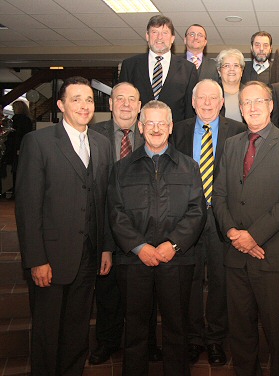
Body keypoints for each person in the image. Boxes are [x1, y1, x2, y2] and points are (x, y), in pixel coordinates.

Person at [15, 76, 113, 375]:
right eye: (75, 99)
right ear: (60, 105)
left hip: (88, 256)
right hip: (51, 259)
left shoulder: (102, 144)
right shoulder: (38, 142)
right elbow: (28, 207)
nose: (84, 105)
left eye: (88, 99)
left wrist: (106, 248)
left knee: (76, 329)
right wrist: (37, 260)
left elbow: (105, 201)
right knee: (47, 332)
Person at [107, 100, 207, 376]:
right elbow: (115, 213)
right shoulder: (121, 168)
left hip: (176, 260)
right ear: (140, 126)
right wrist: (140, 248)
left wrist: (172, 244)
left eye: (161, 122)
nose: (155, 128)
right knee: (136, 330)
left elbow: (197, 211)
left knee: (177, 328)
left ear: (171, 127)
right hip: (134, 261)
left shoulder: (189, 166)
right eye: (149, 122)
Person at [212, 81, 279, 376]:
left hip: (271, 255)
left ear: (271, 105)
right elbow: (220, 195)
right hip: (235, 257)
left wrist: (253, 236)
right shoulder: (231, 144)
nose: (252, 108)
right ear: (239, 109)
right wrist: (232, 234)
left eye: (258, 101)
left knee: (278, 333)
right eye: (246, 103)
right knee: (241, 333)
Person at [172, 79, 246, 366]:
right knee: (187, 282)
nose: (206, 103)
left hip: (221, 220)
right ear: (193, 102)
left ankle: (215, 339)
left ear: (221, 102)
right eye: (201, 98)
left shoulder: (237, 132)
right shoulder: (176, 130)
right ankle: (192, 338)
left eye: (213, 98)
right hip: (185, 220)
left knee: (220, 281)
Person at [89, 82, 162, 364]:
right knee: (107, 290)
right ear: (110, 104)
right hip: (105, 224)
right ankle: (107, 341)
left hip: (145, 229)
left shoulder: (153, 135)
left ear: (140, 105)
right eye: (120, 99)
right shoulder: (94, 135)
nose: (126, 104)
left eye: (132, 99)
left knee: (147, 295)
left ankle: (149, 344)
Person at [119, 15, 197, 122]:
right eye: (154, 32)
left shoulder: (188, 69)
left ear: (172, 38)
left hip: (175, 135)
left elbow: (190, 110)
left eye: (165, 33)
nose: (159, 37)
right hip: (138, 134)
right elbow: (120, 104)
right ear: (147, 36)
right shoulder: (130, 65)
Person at [8, 100, 33, 195]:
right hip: (24, 147)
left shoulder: (17, 119)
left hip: (16, 147)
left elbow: (16, 135)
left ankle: (15, 191)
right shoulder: (28, 120)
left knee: (16, 170)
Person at [216, 49, 245, 122]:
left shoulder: (249, 93)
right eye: (226, 66)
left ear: (241, 71)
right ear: (219, 71)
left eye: (236, 65)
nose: (231, 69)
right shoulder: (212, 94)